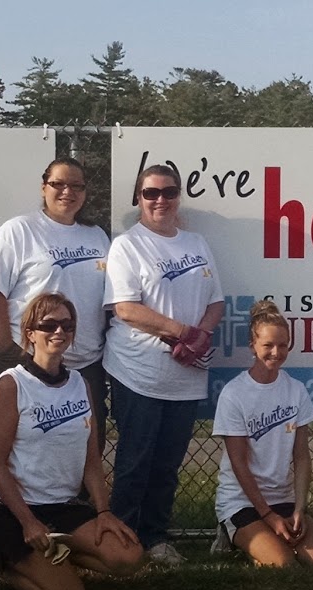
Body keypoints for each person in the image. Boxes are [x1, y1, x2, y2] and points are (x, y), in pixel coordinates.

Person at [0, 293, 142, 590]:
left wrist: (104, 512)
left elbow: (91, 460)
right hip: (9, 511)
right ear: (30, 333)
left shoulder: (80, 383)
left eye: (67, 325)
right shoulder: (12, 384)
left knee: (129, 557)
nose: (59, 332)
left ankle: (48, 562)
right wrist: (28, 522)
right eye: (49, 325)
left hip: (61, 508)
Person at [105, 164, 224, 567]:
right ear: (138, 198)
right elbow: (125, 308)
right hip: (138, 371)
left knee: (168, 464)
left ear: (178, 197)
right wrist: (181, 332)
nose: (160, 200)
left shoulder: (196, 243)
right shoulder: (128, 245)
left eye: (168, 192)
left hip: (187, 374)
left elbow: (217, 302)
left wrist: (201, 336)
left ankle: (155, 538)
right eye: (150, 193)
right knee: (135, 461)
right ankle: (121, 542)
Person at [0, 157, 109, 449]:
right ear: (43, 187)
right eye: (58, 184)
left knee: (86, 448)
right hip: (27, 360)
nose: (67, 192)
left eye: (76, 186)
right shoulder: (18, 231)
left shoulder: (97, 236)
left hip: (84, 364)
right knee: (21, 448)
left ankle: (80, 498)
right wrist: (7, 351)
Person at [211, 300, 313, 567]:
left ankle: (266, 541)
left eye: (283, 345)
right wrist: (267, 515)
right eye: (268, 346)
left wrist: (299, 508)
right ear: (253, 345)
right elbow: (239, 462)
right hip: (242, 502)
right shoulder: (234, 393)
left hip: (282, 498)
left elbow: (302, 457)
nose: (276, 352)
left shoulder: (296, 390)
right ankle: (231, 534)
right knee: (284, 563)